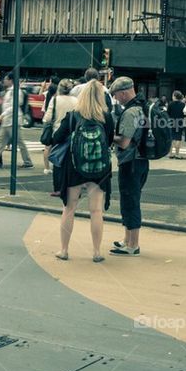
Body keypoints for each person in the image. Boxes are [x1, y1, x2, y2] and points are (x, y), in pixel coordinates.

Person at [50, 80, 114, 262]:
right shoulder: (106, 117)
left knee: (69, 208)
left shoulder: (73, 116)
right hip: (100, 169)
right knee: (96, 211)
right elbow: (108, 142)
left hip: (74, 167)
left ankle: (64, 250)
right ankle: (96, 252)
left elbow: (56, 138)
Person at [110, 76, 150, 256]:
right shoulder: (142, 106)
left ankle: (133, 245)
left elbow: (124, 142)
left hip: (130, 162)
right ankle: (127, 239)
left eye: (117, 95)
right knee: (130, 200)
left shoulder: (130, 112)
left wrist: (108, 135)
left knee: (131, 201)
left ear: (124, 93)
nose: (116, 99)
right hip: (140, 161)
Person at [0, 73, 33, 168]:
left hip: (13, 121)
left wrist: (1, 116)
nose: (4, 81)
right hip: (7, 121)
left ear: (11, 80)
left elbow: (14, 106)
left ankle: (28, 162)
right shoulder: (9, 91)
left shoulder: (16, 91)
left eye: (6, 79)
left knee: (18, 142)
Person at [42, 78, 77, 190]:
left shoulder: (55, 100)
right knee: (71, 161)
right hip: (73, 133)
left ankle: (58, 187)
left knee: (57, 160)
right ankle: (70, 185)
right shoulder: (76, 100)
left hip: (57, 133)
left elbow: (47, 118)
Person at [167, 91, 185, 158]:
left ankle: (171, 153)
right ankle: (177, 154)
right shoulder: (183, 105)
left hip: (171, 122)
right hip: (180, 122)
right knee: (178, 138)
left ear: (174, 96)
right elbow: (184, 114)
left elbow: (167, 114)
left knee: (171, 138)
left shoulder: (170, 104)